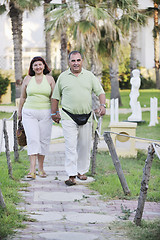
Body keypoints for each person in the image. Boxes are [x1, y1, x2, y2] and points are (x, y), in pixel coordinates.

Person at [51, 50, 106, 186]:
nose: (76, 63)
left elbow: (100, 92)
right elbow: (55, 97)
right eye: (73, 60)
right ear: (69, 62)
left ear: (82, 61)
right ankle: (71, 175)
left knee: (84, 145)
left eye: (78, 60)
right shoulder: (63, 77)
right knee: (70, 146)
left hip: (86, 116)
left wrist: (103, 105)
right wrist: (54, 113)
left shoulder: (89, 76)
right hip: (68, 116)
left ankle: (81, 171)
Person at [18, 56, 55, 179]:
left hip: (46, 113)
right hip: (29, 112)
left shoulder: (50, 79)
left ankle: (41, 169)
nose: (38, 67)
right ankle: (32, 170)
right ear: (32, 68)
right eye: (35, 65)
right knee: (33, 139)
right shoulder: (27, 79)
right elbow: (23, 97)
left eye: (40, 64)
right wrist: (20, 113)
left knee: (44, 140)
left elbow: (53, 98)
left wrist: (55, 112)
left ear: (44, 66)